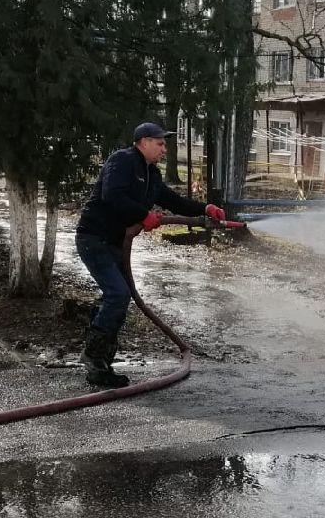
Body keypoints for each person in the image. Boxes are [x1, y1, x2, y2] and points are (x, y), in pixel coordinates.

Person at [74, 122, 224, 387]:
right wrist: (144, 215)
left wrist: (206, 208)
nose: (164, 149)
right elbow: (112, 196)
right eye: (160, 143)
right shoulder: (122, 161)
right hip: (94, 238)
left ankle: (100, 365)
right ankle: (93, 357)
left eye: (165, 144)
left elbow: (172, 200)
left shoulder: (151, 174)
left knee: (117, 296)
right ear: (143, 142)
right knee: (119, 294)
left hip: (115, 243)